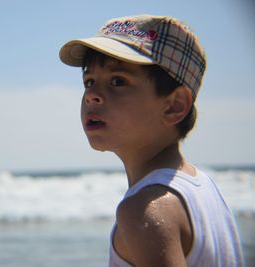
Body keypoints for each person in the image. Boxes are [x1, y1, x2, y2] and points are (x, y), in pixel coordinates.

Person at [59, 14, 244, 266]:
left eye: (117, 81)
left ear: (174, 106)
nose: (92, 95)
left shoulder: (145, 210)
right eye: (89, 81)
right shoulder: (203, 187)